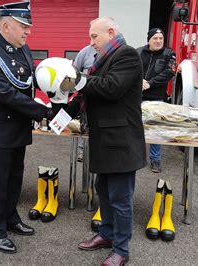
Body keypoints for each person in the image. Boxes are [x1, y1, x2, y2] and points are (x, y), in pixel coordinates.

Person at [62, 17, 146, 265]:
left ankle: (121, 249)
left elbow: (111, 87)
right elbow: (88, 94)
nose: (91, 43)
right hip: (105, 140)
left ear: (110, 32)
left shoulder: (127, 54)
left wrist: (77, 77)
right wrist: (62, 113)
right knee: (104, 191)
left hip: (120, 141)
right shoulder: (102, 58)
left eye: (94, 37)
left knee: (120, 199)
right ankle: (107, 235)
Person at [0, 2, 52, 254]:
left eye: (28, 26)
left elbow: (30, 82)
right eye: (23, 26)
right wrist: (43, 111)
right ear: (6, 26)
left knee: (14, 179)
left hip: (18, 128)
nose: (28, 31)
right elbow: (6, 94)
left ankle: (10, 218)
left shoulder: (22, 48)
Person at [137, 28, 176, 173]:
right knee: (136, 127)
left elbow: (169, 72)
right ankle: (135, 157)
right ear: (149, 40)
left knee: (155, 129)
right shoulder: (139, 52)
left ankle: (155, 160)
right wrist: (139, 80)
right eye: (155, 38)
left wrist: (150, 83)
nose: (158, 41)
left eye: (161, 38)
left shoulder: (169, 54)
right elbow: (131, 68)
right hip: (137, 96)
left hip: (156, 98)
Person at [72, 44, 97, 162]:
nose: (93, 41)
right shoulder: (85, 52)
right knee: (84, 125)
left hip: (102, 96)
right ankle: (81, 151)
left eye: (95, 36)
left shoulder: (112, 53)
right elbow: (74, 71)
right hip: (85, 97)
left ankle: (96, 152)